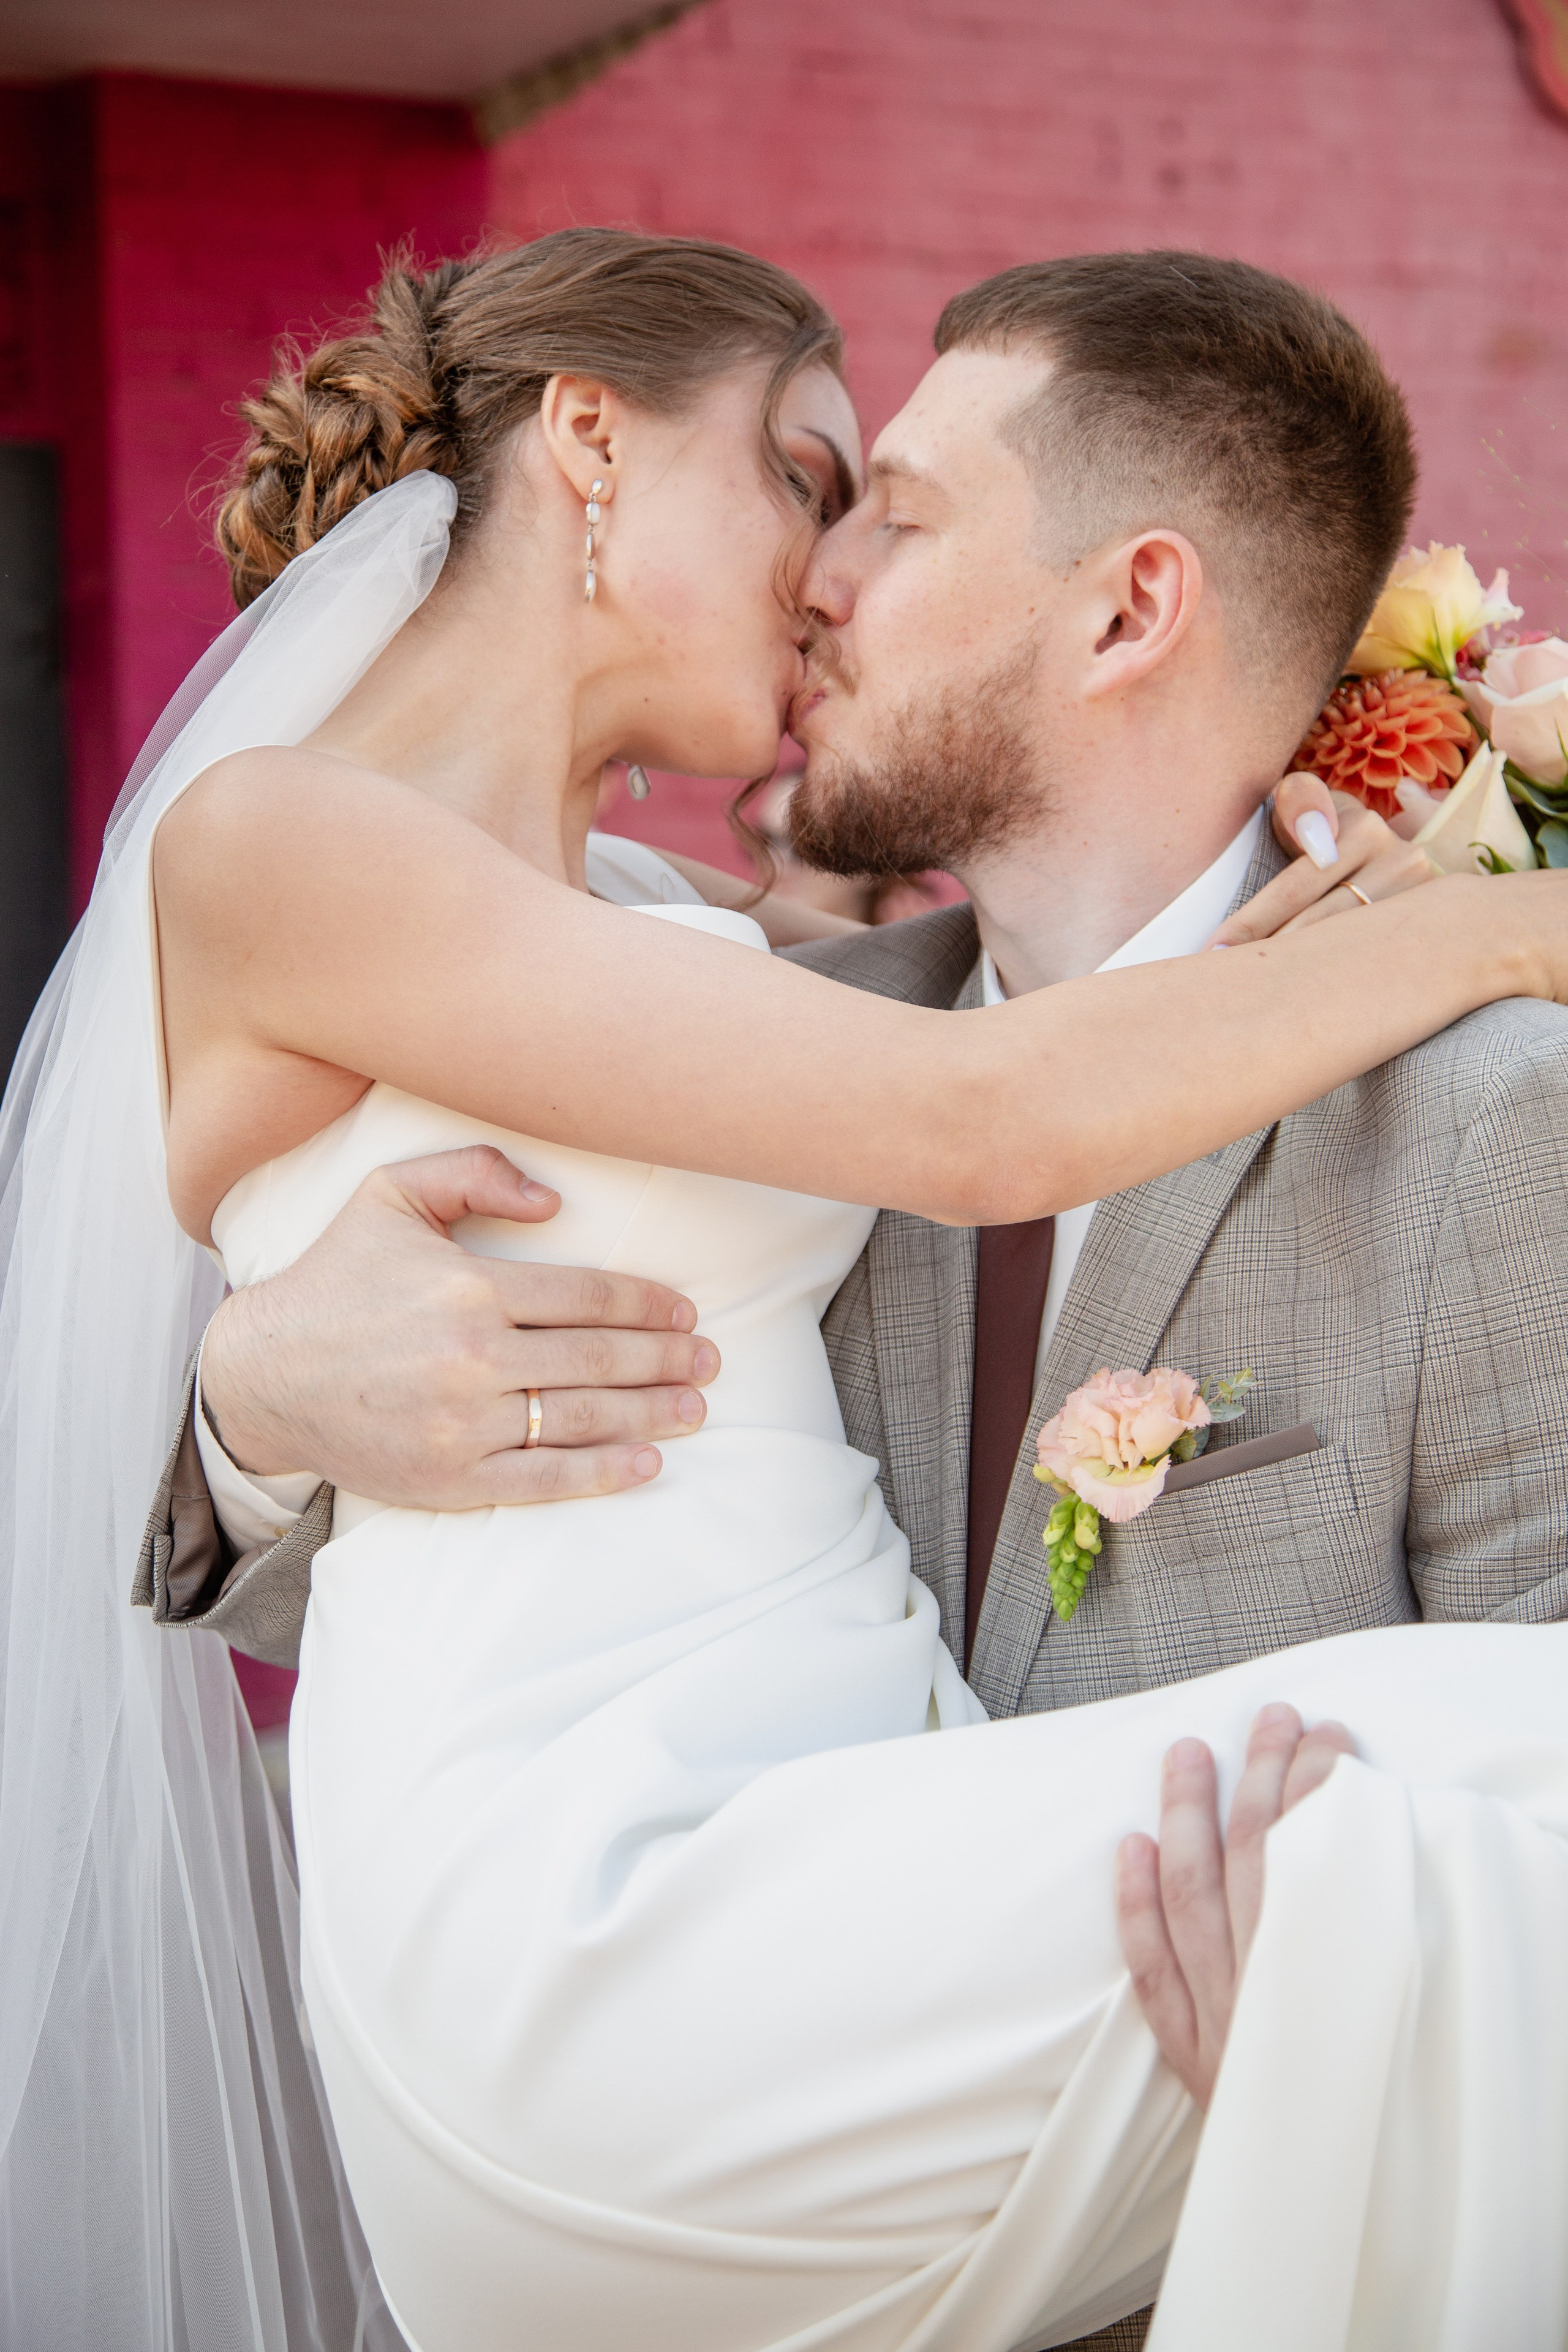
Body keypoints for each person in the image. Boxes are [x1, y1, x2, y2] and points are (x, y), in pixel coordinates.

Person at [28, 230, 1568, 2352]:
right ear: (589, 442)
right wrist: (253, 1415)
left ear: (1132, 604)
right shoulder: (320, 857)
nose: (825, 574)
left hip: (935, 1975)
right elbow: (971, 1123)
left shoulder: (688, 948)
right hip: (608, 1925)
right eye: (809, 480)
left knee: (1471, 1819)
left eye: (883, 512)